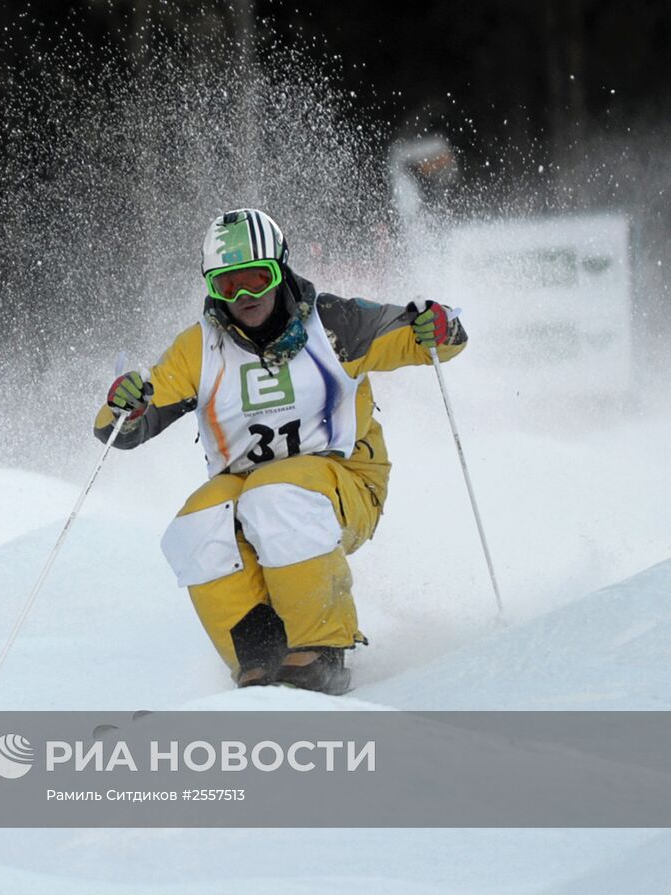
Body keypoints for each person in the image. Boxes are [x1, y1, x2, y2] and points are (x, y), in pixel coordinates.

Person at [93, 209, 467, 694]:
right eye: (229, 287)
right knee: (197, 519)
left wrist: (437, 328)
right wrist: (123, 405)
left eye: (257, 279)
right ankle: (259, 661)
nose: (245, 298)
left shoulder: (335, 324)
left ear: (282, 270)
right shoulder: (198, 349)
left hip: (346, 487)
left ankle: (321, 652)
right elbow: (124, 428)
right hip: (256, 499)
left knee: (273, 493)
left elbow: (427, 338)